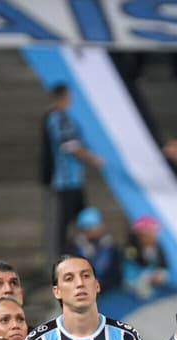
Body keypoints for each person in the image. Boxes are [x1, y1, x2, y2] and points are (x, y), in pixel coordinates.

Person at [44, 84, 103, 254]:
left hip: (75, 178)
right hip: (65, 180)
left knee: (84, 218)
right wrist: (92, 158)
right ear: (62, 97)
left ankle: (85, 252)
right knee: (64, 222)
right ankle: (60, 258)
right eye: (69, 96)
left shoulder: (65, 117)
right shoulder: (57, 118)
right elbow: (70, 145)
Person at [69, 208, 120, 291]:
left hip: (108, 290)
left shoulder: (109, 247)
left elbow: (114, 272)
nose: (90, 231)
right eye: (87, 228)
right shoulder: (76, 248)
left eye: (92, 227)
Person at [122, 216, 170, 300]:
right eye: (150, 233)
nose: (154, 236)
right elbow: (141, 263)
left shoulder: (157, 247)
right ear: (140, 235)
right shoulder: (130, 248)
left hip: (150, 274)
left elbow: (163, 264)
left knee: (163, 275)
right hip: (133, 278)